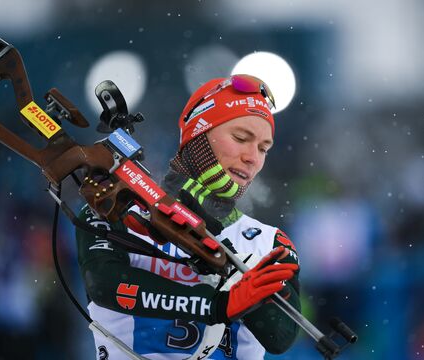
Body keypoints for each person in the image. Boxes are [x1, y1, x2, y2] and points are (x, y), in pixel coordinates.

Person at [76, 74, 301, 359]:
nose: (252, 157)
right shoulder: (115, 208)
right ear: (199, 137)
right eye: (241, 138)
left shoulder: (269, 241)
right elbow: (105, 285)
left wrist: (227, 260)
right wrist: (217, 305)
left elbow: (281, 336)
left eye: (263, 148)